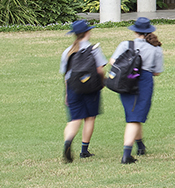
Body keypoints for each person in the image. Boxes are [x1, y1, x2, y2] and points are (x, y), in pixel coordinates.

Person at [112, 15, 165, 163]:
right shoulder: (155, 49)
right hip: (144, 82)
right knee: (135, 118)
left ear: (135, 31)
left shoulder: (125, 45)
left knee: (134, 114)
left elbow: (113, 61)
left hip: (126, 81)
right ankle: (126, 154)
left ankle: (140, 146)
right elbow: (157, 71)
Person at [60, 18, 103, 162]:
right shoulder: (94, 49)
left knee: (74, 119)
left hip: (73, 88)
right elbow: (100, 69)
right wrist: (102, 82)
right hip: (91, 87)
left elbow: (66, 75)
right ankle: (84, 150)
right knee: (89, 118)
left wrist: (67, 93)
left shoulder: (68, 52)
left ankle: (68, 141)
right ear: (87, 32)